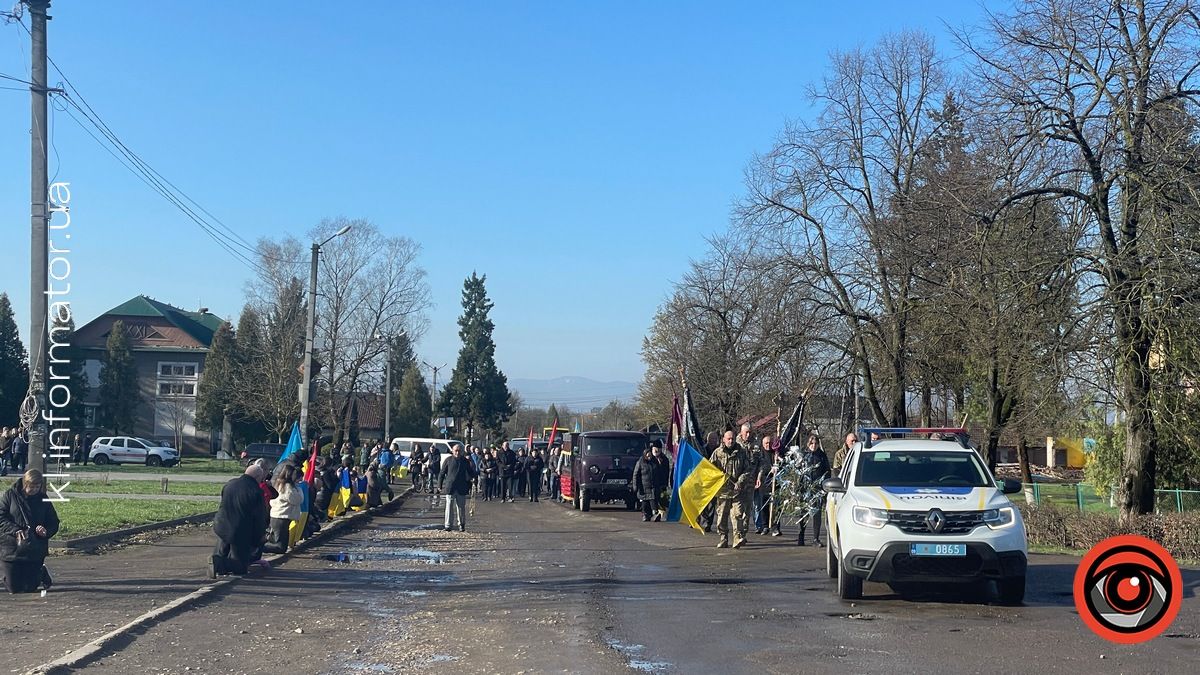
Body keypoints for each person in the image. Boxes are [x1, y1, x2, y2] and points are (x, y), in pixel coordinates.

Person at [0, 469, 59, 593]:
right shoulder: (10, 495)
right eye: (32, 487)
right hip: (12, 547)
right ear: (25, 484)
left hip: (34, 548)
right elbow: (1, 517)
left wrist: (46, 531)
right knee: (14, 589)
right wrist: (14, 529)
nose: (34, 490)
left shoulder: (43, 499)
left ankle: (41, 572)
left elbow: (53, 522)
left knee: (29, 588)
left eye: (37, 487)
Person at [211, 465, 269, 577]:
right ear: (257, 477)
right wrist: (259, 536)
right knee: (241, 566)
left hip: (221, 523)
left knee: (223, 548)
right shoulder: (256, 491)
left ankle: (217, 563)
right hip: (241, 529)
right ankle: (218, 564)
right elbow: (259, 517)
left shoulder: (230, 484)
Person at [710, 430, 751, 549]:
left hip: (737, 490)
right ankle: (723, 538)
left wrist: (740, 481)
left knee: (737, 515)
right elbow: (710, 468)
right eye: (728, 439)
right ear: (723, 439)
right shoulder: (717, 453)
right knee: (722, 516)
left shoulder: (741, 452)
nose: (731, 441)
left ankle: (737, 538)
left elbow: (747, 469)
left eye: (732, 438)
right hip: (723, 491)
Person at [798, 434, 831, 547]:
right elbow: (798, 470)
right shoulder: (804, 455)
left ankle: (815, 538)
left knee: (816, 513)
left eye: (816, 443)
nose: (814, 445)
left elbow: (827, 472)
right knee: (804, 513)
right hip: (804, 488)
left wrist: (825, 487)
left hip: (817, 489)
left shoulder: (822, 456)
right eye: (812, 443)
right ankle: (801, 535)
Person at [438, 444, 477, 532]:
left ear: (462, 451)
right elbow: (442, 473)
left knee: (461, 507)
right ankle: (448, 525)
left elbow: (470, 472)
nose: (457, 452)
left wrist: (473, 478)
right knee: (449, 507)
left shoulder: (465, 461)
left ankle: (461, 525)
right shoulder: (448, 460)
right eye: (456, 450)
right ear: (452, 450)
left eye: (459, 451)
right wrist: (439, 485)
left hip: (461, 487)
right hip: (450, 486)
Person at [264, 464, 302, 554]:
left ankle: (263, 543)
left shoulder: (279, 483)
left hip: (281, 517)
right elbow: (297, 500)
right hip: (281, 517)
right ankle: (259, 548)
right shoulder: (287, 486)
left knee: (278, 541)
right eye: (294, 474)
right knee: (281, 547)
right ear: (289, 474)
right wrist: (299, 489)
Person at [632, 443, 668, 522]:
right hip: (644, 487)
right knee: (645, 503)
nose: (649, 458)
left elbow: (660, 473)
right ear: (645, 456)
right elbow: (635, 475)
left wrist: (662, 484)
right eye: (647, 456)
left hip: (653, 486)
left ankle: (654, 514)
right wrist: (635, 486)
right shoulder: (640, 463)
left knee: (653, 501)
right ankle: (645, 515)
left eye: (650, 456)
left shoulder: (655, 462)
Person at [752, 435, 774, 535]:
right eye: (766, 443)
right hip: (763, 481)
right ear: (762, 444)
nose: (768, 445)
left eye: (769, 443)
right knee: (762, 505)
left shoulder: (775, 453)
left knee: (774, 505)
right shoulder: (760, 454)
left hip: (774, 481)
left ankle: (775, 526)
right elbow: (760, 466)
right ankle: (764, 526)